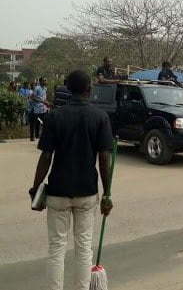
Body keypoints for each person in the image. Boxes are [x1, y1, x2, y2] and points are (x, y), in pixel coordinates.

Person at [29, 70, 113, 290]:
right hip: (87, 192)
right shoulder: (100, 117)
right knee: (84, 248)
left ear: (69, 89)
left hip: (58, 192)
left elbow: (46, 156)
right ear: (89, 89)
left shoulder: (55, 116)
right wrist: (107, 193)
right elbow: (104, 158)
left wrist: (36, 188)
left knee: (56, 249)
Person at [30, 77, 49, 141]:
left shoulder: (45, 89)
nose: (46, 82)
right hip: (37, 109)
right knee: (35, 123)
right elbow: (33, 97)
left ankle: (40, 135)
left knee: (43, 122)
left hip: (44, 109)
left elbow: (44, 98)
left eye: (46, 80)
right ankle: (33, 136)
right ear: (41, 81)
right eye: (45, 80)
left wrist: (47, 102)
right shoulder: (37, 88)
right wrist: (41, 101)